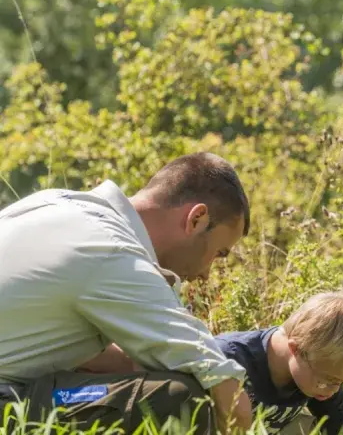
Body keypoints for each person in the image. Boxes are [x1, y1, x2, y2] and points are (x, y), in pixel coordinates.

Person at [0, 152, 253, 433]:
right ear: (197, 219)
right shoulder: (113, 252)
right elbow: (227, 393)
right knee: (178, 397)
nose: (206, 274)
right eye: (218, 253)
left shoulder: (53, 203)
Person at [215, 291, 343, 434]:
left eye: (340, 382)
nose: (333, 390)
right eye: (329, 380)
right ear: (296, 349)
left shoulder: (319, 372)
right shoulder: (225, 358)